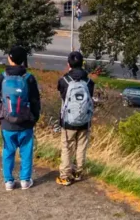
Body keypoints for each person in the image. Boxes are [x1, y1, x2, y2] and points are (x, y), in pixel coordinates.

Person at [0, 45, 41, 191]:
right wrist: (34, 118)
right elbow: (35, 101)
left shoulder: (2, 77)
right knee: (26, 151)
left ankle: (8, 181)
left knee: (8, 150)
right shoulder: (29, 78)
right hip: (26, 123)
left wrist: (0, 118)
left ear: (10, 58)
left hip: (7, 123)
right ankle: (25, 180)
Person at [56, 51, 95, 186]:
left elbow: (62, 97)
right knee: (81, 147)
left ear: (68, 64)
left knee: (67, 147)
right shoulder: (89, 82)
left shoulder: (64, 81)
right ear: (82, 63)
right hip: (85, 120)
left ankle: (65, 176)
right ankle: (78, 172)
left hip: (68, 121)